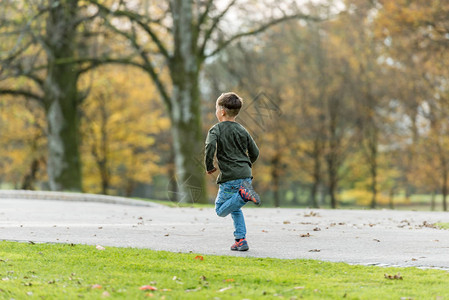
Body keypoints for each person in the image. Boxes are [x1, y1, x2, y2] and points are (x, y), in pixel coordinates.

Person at [204, 92, 261, 251]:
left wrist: (209, 166)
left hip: (230, 178)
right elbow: (255, 152)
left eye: (216, 108)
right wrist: (245, 166)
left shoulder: (216, 130)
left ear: (221, 111)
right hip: (246, 175)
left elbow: (209, 148)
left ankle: (243, 195)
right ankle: (241, 240)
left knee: (221, 209)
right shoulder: (242, 130)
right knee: (235, 207)